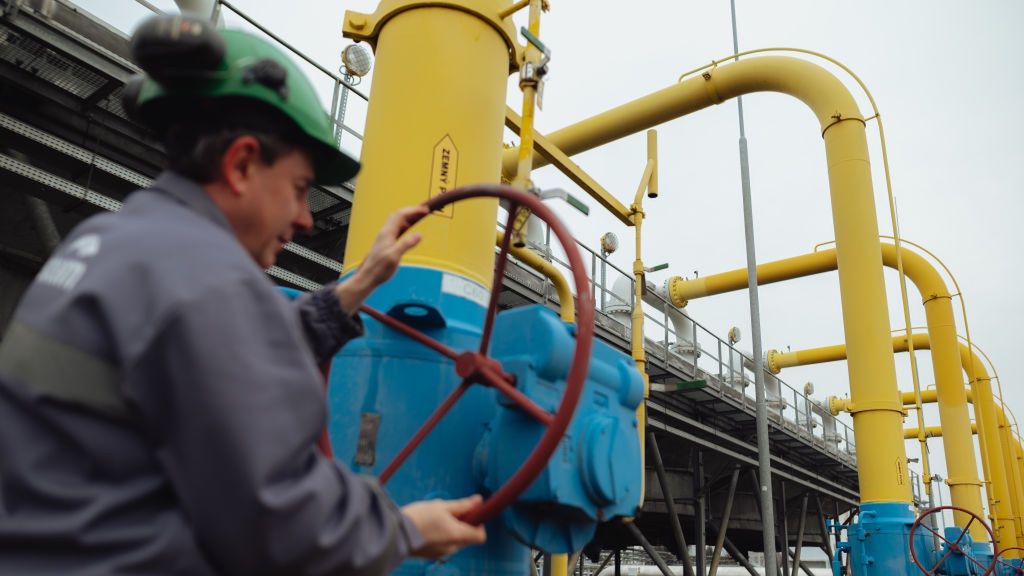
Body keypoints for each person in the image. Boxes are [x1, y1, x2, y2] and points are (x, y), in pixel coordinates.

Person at [0, 14, 485, 575]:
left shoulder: (109, 243)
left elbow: (220, 358)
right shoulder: (208, 283)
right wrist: (403, 529)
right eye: (301, 190)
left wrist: (360, 283)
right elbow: (280, 524)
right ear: (241, 164)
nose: (306, 218)